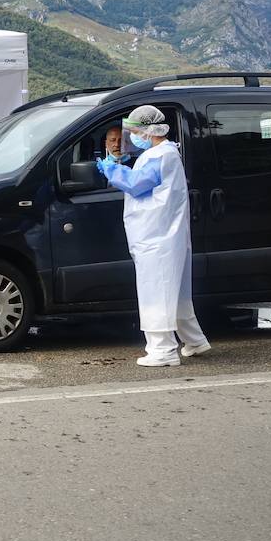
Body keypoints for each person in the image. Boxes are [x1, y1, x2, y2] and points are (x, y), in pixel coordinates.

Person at [97, 105, 211, 367]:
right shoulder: (169, 152)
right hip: (168, 234)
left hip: (156, 236)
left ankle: (163, 350)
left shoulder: (157, 156)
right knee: (177, 291)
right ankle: (194, 341)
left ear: (147, 130)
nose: (131, 137)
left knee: (156, 291)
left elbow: (136, 184)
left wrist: (112, 170)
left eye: (135, 131)